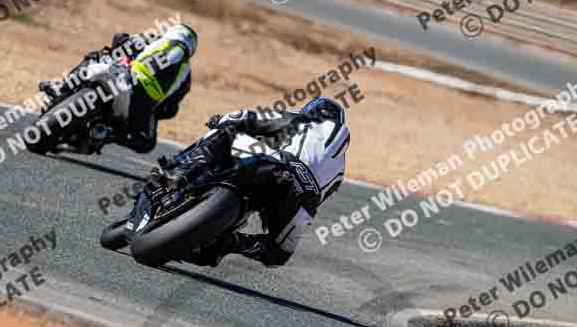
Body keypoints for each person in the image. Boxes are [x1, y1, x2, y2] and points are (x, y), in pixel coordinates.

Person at [156, 97, 350, 268]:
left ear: (310, 110)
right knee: (279, 254)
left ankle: (181, 172)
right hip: (304, 197)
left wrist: (221, 121)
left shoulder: (303, 119)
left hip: (281, 163)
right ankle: (228, 244)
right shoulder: (340, 167)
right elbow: (319, 200)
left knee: (227, 133)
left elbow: (246, 117)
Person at [39, 23, 196, 153]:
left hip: (121, 77)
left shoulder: (151, 39)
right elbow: (170, 108)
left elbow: (120, 39)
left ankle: (63, 86)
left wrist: (117, 50)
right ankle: (105, 133)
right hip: (140, 105)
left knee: (97, 56)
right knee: (145, 142)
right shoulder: (186, 75)